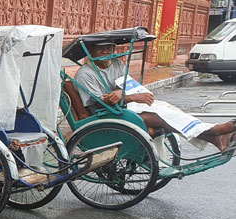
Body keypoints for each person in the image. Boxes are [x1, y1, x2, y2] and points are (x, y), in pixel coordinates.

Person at [75, 41, 235, 151]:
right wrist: (129, 97)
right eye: (100, 48)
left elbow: (126, 86)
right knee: (159, 117)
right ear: (91, 51)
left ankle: (213, 136)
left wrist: (129, 95)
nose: (105, 52)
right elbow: (99, 103)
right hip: (104, 114)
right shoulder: (85, 74)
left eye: (109, 48)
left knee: (166, 108)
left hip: (123, 107)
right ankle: (213, 132)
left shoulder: (116, 64)